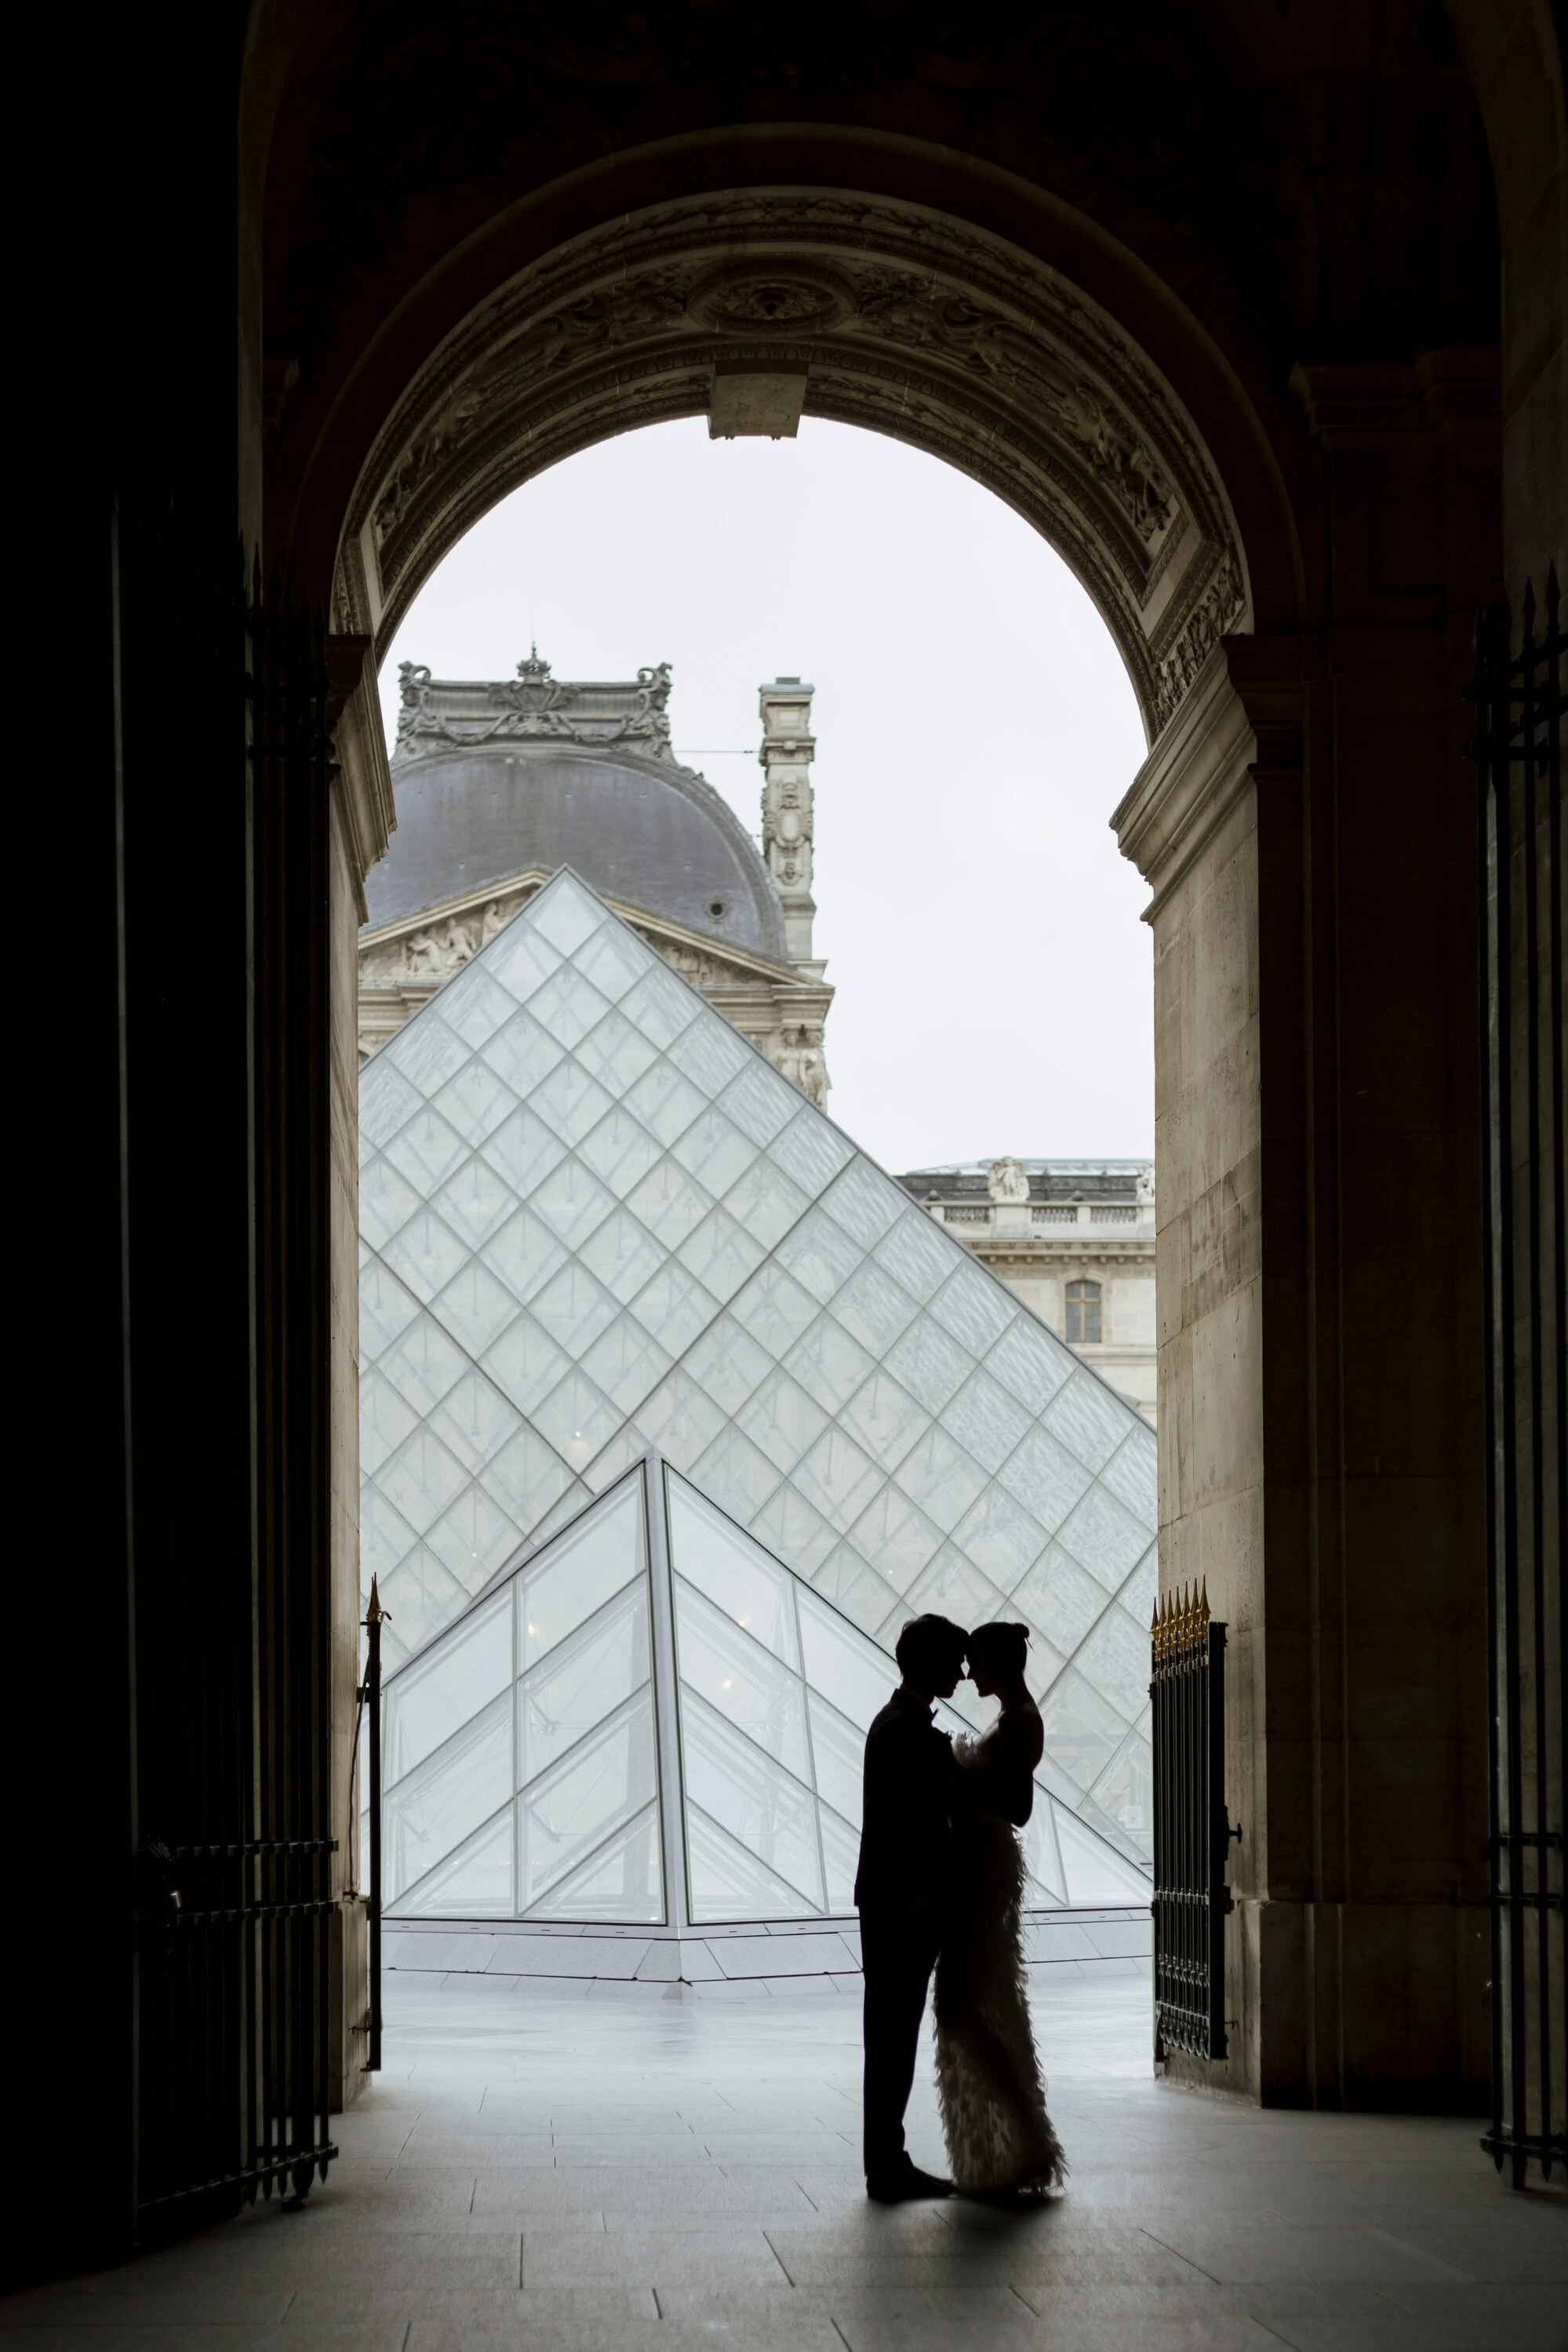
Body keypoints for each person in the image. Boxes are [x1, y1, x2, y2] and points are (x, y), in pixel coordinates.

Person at [934, 1619, 1068, 2196]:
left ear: (998, 1662)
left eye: (974, 1662)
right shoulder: (1014, 1717)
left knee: (962, 2005)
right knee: (974, 2002)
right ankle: (1020, 2142)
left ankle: (1024, 2141)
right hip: (981, 1865)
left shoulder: (1018, 1722)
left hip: (984, 1869)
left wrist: (956, 1776)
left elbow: (1017, 1806)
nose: (967, 1672)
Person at [853, 1612, 969, 2202]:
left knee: (891, 2036)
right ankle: (886, 2166)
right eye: (954, 1660)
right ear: (928, 1664)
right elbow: (912, 1831)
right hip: (903, 1907)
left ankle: (886, 2162)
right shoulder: (908, 1733)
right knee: (893, 2037)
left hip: (890, 1902)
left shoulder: (896, 1722)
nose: (963, 1671)